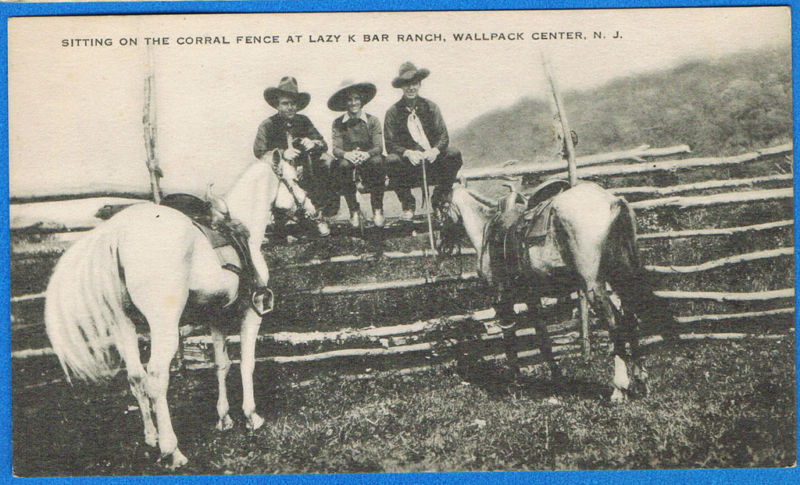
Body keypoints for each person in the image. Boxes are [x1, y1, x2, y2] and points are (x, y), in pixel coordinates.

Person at [254, 76, 335, 236]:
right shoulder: (267, 125)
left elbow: (322, 143)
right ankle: (280, 220)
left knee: (327, 162)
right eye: (285, 103)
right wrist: (282, 153)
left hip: (304, 172)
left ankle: (319, 215)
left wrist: (312, 142)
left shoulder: (304, 121)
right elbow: (260, 151)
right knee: (283, 202)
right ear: (277, 105)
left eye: (293, 104)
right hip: (280, 176)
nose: (290, 107)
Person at [384, 62, 463, 221]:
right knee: (391, 160)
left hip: (432, 163)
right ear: (401, 87)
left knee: (454, 154)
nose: (411, 88)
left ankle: (439, 199)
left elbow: (444, 136)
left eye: (414, 83)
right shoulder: (393, 112)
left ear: (420, 84)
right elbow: (390, 143)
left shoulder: (431, 107)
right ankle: (408, 204)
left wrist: (435, 150)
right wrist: (407, 152)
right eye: (407, 84)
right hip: (409, 167)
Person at [328, 80, 387, 228]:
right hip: (349, 161)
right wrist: (347, 154)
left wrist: (367, 154)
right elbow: (336, 149)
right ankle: (354, 210)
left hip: (369, 162)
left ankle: (377, 209)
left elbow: (379, 146)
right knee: (342, 165)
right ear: (344, 103)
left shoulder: (372, 121)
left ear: (362, 101)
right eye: (349, 99)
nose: (353, 103)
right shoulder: (338, 123)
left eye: (356, 99)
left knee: (378, 161)